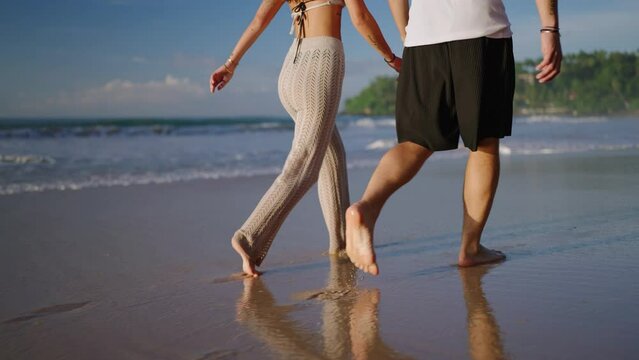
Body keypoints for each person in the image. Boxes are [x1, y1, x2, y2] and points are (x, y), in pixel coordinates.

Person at [346, 0, 563, 275]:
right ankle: (470, 248)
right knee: (484, 141)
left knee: (415, 142)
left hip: (422, 37)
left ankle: (366, 207)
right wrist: (549, 28)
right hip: (481, 28)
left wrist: (408, 35)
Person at [210, 0, 402, 277]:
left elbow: (258, 20)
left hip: (291, 71)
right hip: (321, 64)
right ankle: (249, 237)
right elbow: (360, 18)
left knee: (330, 154)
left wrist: (230, 64)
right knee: (305, 164)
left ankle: (341, 244)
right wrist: (392, 58)